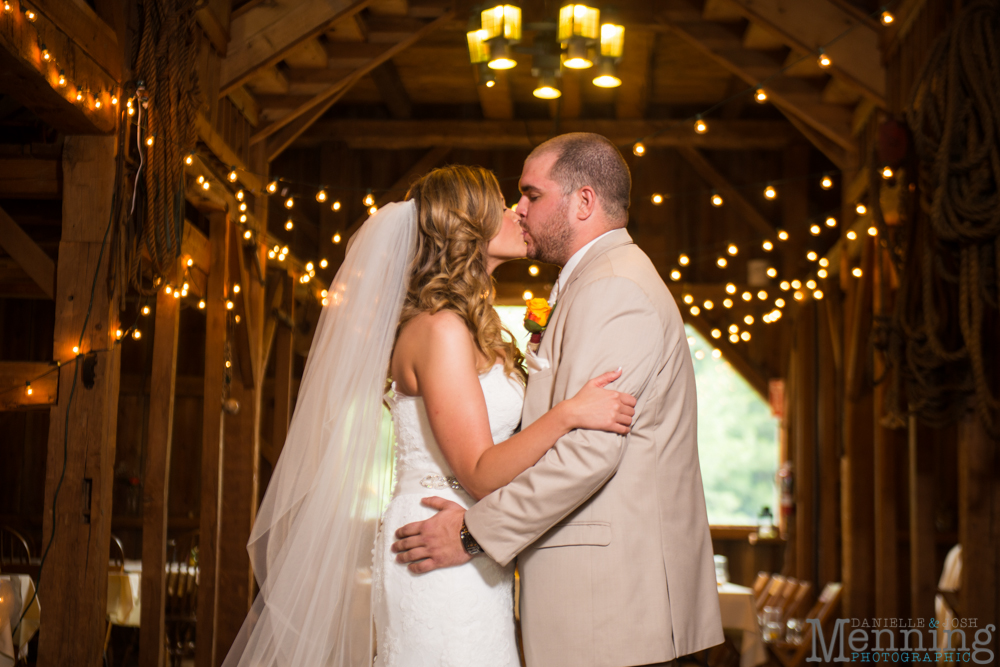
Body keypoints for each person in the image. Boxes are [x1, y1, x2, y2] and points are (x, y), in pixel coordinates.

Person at [219, 164, 635, 667]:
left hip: (466, 543)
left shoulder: (462, 326)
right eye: (500, 206)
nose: (517, 214)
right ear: (467, 229)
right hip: (437, 541)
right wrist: (569, 414)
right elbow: (481, 473)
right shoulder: (439, 330)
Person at [392, 133, 725, 667]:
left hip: (610, 604)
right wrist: (566, 414)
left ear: (584, 201)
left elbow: (588, 454)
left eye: (530, 195)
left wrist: (474, 535)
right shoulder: (583, 285)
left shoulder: (613, 287)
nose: (518, 211)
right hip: (530, 581)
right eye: (512, 201)